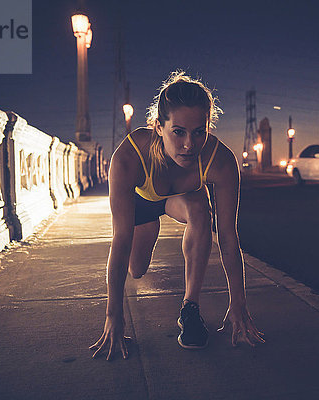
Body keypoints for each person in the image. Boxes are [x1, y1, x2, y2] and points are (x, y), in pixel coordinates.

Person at [90, 71, 264, 360]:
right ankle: (150, 230)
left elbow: (229, 238)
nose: (189, 144)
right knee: (136, 269)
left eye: (199, 131)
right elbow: (120, 240)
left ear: (208, 126)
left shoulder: (220, 161)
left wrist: (239, 304)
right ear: (159, 127)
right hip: (143, 205)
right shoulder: (129, 156)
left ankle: (190, 308)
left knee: (201, 211)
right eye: (178, 132)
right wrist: (113, 315)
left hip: (182, 200)